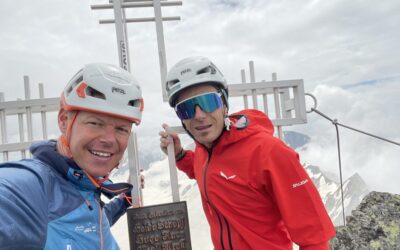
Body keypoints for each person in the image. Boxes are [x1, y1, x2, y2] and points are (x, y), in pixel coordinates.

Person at [159, 56, 336, 250]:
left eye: (208, 102)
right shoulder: (205, 151)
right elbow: (208, 173)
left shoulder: (269, 152)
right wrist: (180, 155)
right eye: (186, 109)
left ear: (224, 104)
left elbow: (315, 237)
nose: (199, 115)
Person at [0, 63, 144, 249]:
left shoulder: (85, 184)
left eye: (121, 129)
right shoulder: (30, 188)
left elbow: (91, 224)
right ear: (63, 121)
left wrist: (125, 199)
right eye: (95, 123)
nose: (109, 140)